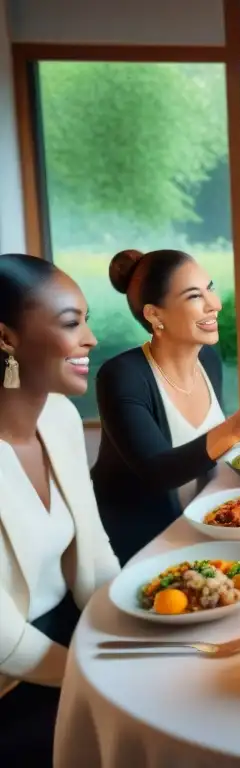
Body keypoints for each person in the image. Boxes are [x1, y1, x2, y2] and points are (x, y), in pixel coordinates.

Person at [92, 249, 240, 562]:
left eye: (209, 289)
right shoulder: (122, 376)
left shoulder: (207, 359)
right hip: (143, 544)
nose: (215, 304)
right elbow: (158, 472)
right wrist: (235, 428)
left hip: (206, 524)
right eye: (194, 296)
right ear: (155, 315)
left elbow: (208, 454)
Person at [0, 253, 121, 765]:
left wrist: (133, 625)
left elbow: (93, 557)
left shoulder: (62, 418)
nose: (90, 338)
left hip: (73, 635)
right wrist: (92, 674)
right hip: (14, 680)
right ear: (6, 338)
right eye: (72, 323)